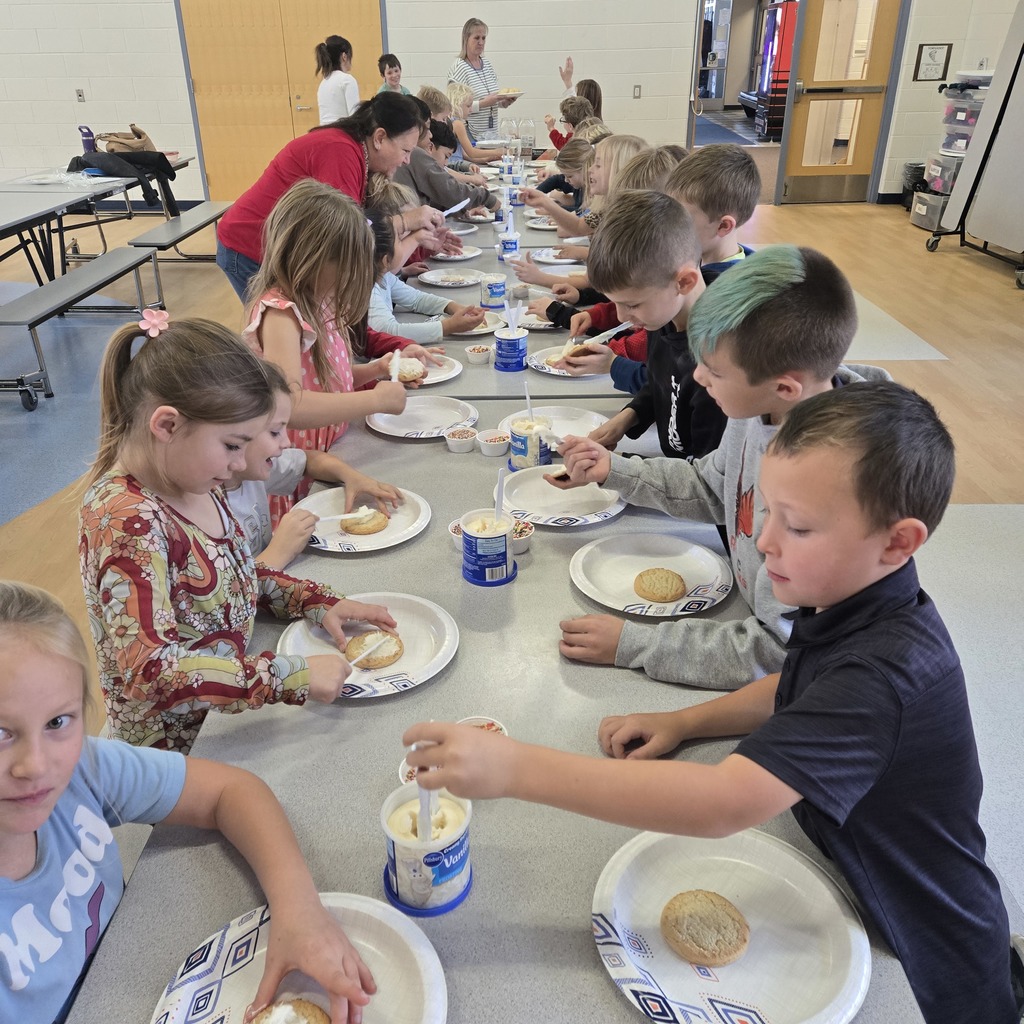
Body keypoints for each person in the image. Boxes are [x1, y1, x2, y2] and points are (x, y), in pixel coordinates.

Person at [404, 381, 1022, 1024]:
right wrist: (686, 721)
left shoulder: (882, 672)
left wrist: (513, 769)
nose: (765, 541)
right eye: (767, 510)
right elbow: (796, 689)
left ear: (897, 542)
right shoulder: (853, 600)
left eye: (799, 525)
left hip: (919, 933)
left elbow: (723, 803)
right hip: (837, 850)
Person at [0, 580, 377, 1024]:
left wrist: (300, 910)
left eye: (58, 721)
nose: (35, 765)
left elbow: (231, 791)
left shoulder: (85, 769)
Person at [553, 243, 890, 689]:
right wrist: (613, 469)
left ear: (784, 387)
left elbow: (780, 655)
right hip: (741, 612)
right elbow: (714, 487)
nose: (697, 378)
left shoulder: (824, 499)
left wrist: (638, 645)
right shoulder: (758, 410)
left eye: (714, 370)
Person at [78, 317, 397, 752]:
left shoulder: (197, 480)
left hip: (231, 714)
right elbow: (151, 673)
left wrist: (317, 601)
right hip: (179, 752)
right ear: (167, 426)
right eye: (232, 444)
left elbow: (237, 577)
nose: (240, 462)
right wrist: (289, 676)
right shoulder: (125, 519)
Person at [241, 179, 439, 522]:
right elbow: (291, 404)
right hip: (297, 474)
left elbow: (328, 379)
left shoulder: (319, 301)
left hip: (333, 452)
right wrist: (375, 401)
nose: (352, 275)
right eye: (347, 265)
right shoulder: (280, 315)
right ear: (313, 259)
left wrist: (374, 370)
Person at [216, 92, 444, 301]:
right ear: (379, 138)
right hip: (250, 244)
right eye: (405, 151)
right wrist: (407, 222)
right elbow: (347, 234)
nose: (406, 161)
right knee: (283, 325)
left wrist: (422, 244)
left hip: (279, 245)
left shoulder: (356, 152)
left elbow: (370, 236)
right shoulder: (340, 152)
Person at [224, 377, 404, 571]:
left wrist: (353, 477)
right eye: (275, 432)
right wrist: (278, 552)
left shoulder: (250, 472)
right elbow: (230, 597)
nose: (286, 443)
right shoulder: (201, 515)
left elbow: (311, 460)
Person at [367, 199, 486, 343]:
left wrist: (454, 307)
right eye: (400, 239)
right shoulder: (368, 290)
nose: (406, 242)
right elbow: (390, 332)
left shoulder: (384, 277)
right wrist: (448, 326)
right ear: (385, 260)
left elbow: (417, 299)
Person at [519, 134, 648, 237]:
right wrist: (545, 202)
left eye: (597, 165)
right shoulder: (603, 208)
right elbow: (579, 227)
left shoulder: (627, 215)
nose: (590, 170)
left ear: (618, 172)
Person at [664, 144, 760, 279]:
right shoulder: (699, 256)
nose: (671, 226)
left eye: (683, 219)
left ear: (723, 226)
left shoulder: (720, 291)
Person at [394, 112, 501, 216]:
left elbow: (432, 198)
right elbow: (449, 190)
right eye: (427, 129)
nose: (430, 134)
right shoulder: (416, 154)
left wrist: (461, 210)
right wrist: (487, 198)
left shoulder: (415, 155)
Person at [446, 18, 518, 141]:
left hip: (490, 133)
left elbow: (492, 99)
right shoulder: (459, 67)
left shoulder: (487, 65)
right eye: (476, 38)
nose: (481, 42)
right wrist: (484, 103)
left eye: (483, 38)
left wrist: (504, 102)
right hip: (469, 133)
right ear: (466, 39)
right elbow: (454, 108)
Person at [446, 81, 506, 165]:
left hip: (452, 164)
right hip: (456, 165)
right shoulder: (457, 124)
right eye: (468, 106)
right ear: (457, 105)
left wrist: (485, 159)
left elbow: (464, 154)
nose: (471, 109)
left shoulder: (448, 120)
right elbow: (471, 152)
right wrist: (497, 151)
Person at [315, 34, 360, 125]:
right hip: (340, 133)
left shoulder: (323, 83)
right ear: (344, 56)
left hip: (323, 133)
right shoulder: (347, 80)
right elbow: (355, 116)